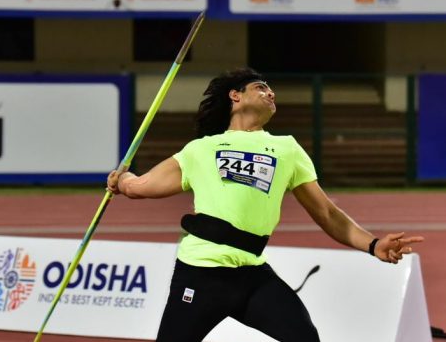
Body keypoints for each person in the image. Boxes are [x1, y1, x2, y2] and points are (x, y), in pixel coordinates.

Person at [107, 68, 424, 342]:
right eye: (261, 87)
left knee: (304, 336)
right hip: (201, 273)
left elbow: (327, 212)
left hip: (252, 276)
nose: (271, 92)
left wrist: (372, 244)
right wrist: (121, 180)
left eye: (272, 89)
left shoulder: (286, 148)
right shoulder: (200, 150)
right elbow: (141, 186)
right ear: (236, 96)